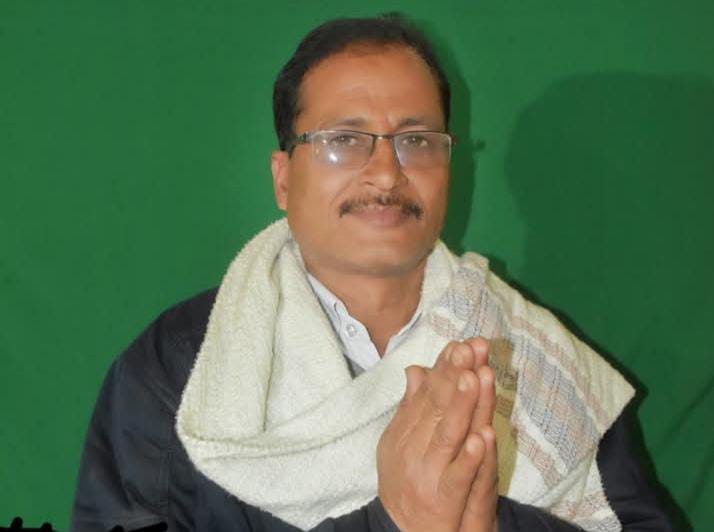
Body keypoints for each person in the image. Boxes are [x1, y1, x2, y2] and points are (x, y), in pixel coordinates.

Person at [71, 14, 673, 532]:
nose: (386, 173)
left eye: (417, 140)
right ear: (284, 179)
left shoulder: (532, 357)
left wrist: (489, 521)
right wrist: (396, 520)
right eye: (344, 139)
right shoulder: (180, 368)